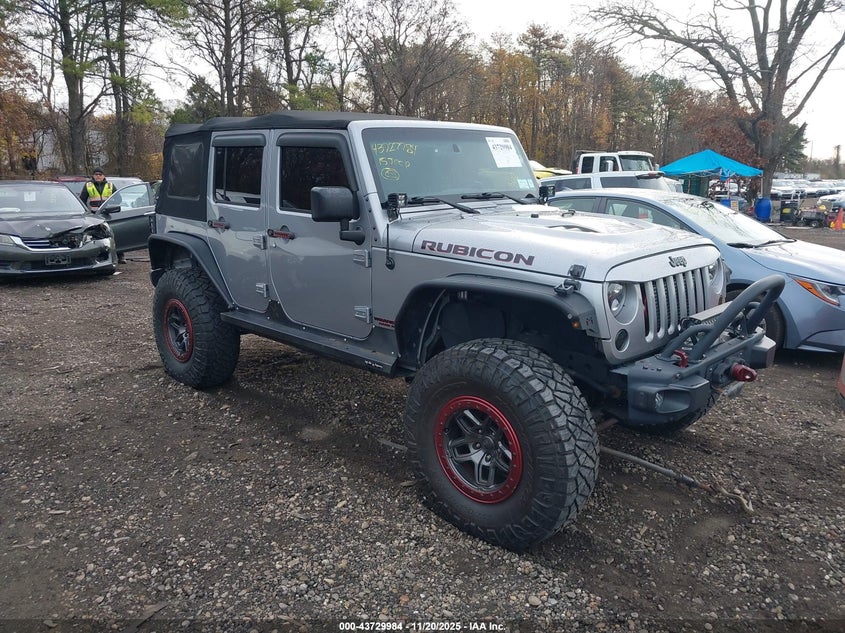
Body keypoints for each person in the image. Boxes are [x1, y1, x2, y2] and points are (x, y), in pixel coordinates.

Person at [81, 167, 125, 263]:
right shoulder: (88, 185)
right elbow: (82, 200)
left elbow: (118, 199)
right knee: (97, 237)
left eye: (100, 174)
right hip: (94, 215)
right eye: (96, 174)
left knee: (114, 234)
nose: (98, 176)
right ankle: (100, 256)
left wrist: (111, 205)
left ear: (103, 176)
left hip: (108, 214)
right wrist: (87, 212)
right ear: (93, 176)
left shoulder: (110, 185)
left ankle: (120, 255)